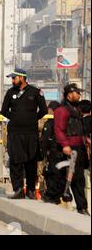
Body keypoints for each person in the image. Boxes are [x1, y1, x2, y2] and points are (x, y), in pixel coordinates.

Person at [1, 68, 47, 199]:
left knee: (31, 161)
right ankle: (18, 189)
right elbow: (4, 110)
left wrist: (32, 119)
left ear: (22, 78)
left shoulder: (36, 92)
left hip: (30, 133)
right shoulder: (10, 92)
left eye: (14, 78)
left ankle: (31, 190)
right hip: (15, 132)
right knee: (15, 161)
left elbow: (43, 110)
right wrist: (15, 118)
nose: (12, 80)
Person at [51, 84, 89, 215]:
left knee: (79, 179)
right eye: (77, 93)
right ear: (69, 94)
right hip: (68, 148)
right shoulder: (62, 111)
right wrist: (65, 145)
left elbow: (80, 129)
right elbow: (59, 130)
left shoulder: (76, 109)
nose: (79, 95)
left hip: (79, 148)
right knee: (63, 178)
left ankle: (82, 207)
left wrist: (86, 141)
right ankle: (50, 197)